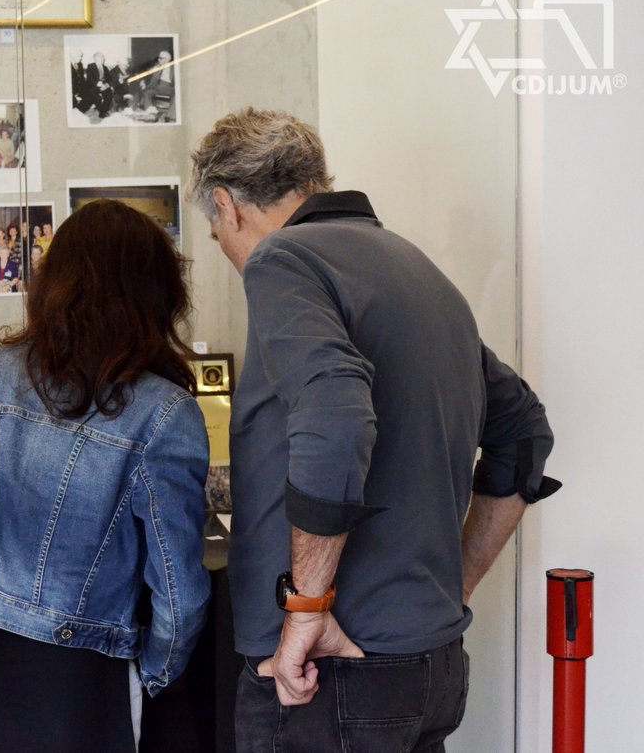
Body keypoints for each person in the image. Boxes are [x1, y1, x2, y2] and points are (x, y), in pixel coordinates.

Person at [189, 108, 559, 751]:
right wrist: (455, 581)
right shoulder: (413, 266)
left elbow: (335, 416)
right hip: (429, 661)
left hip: (325, 675)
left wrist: (306, 609)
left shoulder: (282, 262)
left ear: (228, 206)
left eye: (217, 230)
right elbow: (522, 433)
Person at [0, 199, 210, 753]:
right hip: (84, 687)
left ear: (51, 282)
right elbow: (179, 589)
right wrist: (156, 674)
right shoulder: (163, 413)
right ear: (158, 293)